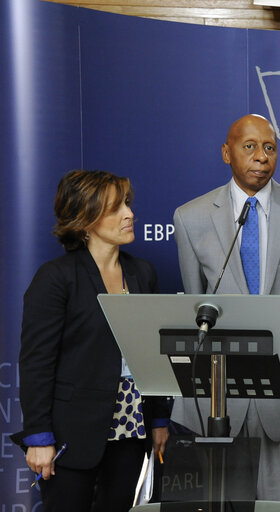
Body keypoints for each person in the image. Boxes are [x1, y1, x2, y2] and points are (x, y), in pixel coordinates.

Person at [171, 114, 280, 502]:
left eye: (269, 148)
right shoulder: (190, 218)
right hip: (217, 398)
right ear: (226, 152)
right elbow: (197, 310)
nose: (261, 157)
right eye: (249, 147)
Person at [12, 170, 170, 512]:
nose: (129, 214)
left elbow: (154, 353)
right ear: (85, 219)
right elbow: (37, 363)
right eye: (115, 208)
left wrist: (158, 420)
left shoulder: (143, 273)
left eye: (127, 204)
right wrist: (38, 438)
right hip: (71, 434)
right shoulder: (56, 279)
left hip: (133, 427)